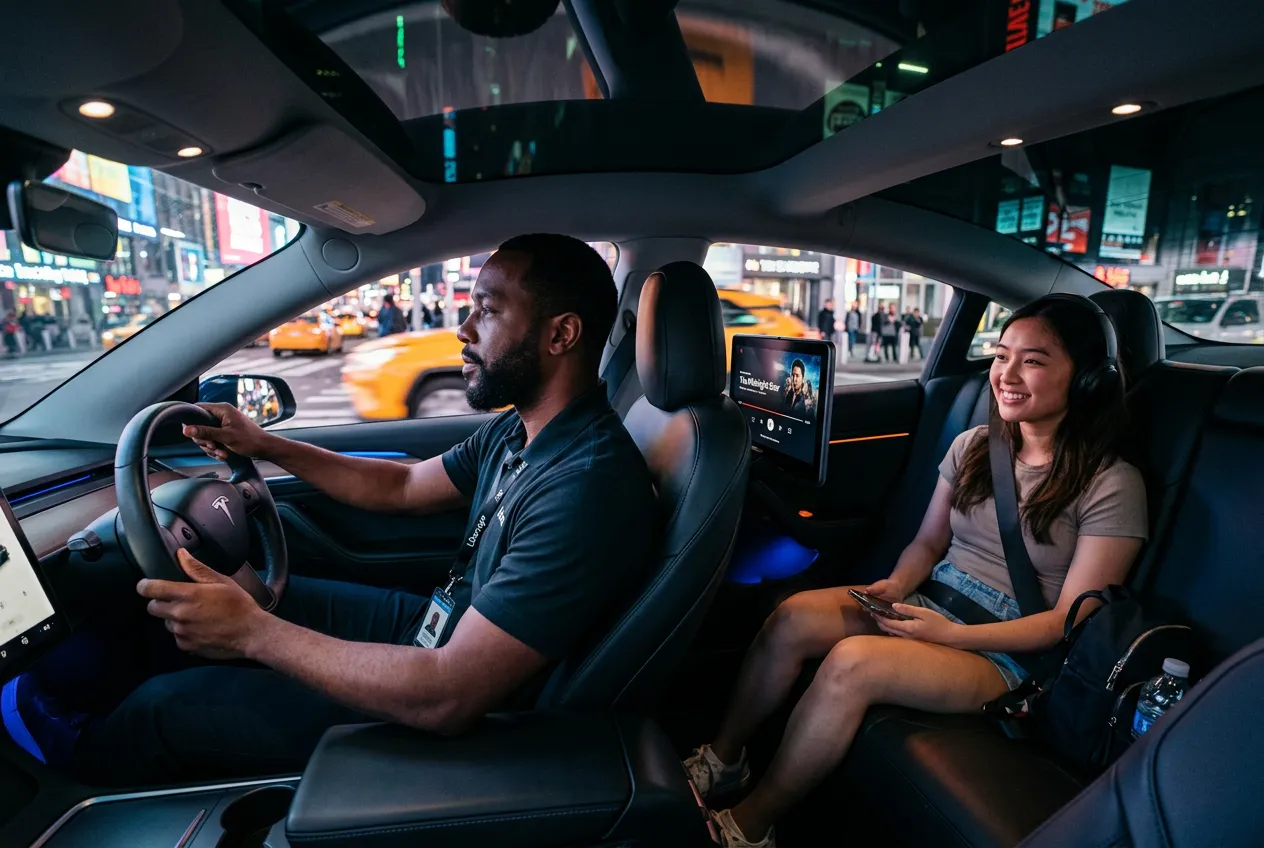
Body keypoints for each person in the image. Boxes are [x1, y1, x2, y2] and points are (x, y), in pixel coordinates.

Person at [3, 234, 659, 786]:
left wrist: (251, 634)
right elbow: (401, 488)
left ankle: (62, 782)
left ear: (561, 334)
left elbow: (448, 695)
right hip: (433, 628)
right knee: (245, 595)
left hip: (471, 712)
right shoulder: (522, 431)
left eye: (486, 311)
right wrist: (264, 444)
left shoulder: (587, 484)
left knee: (164, 707)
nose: (461, 330)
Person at [684, 295, 1148, 847]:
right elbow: (928, 542)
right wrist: (898, 586)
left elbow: (1064, 625)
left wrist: (953, 635)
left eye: (1035, 360)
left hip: (1011, 652)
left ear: (1089, 380)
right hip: (934, 604)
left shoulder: (1112, 484)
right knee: (792, 617)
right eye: (1001, 356)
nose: (1007, 374)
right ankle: (724, 759)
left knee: (853, 663)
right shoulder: (975, 446)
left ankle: (750, 826)